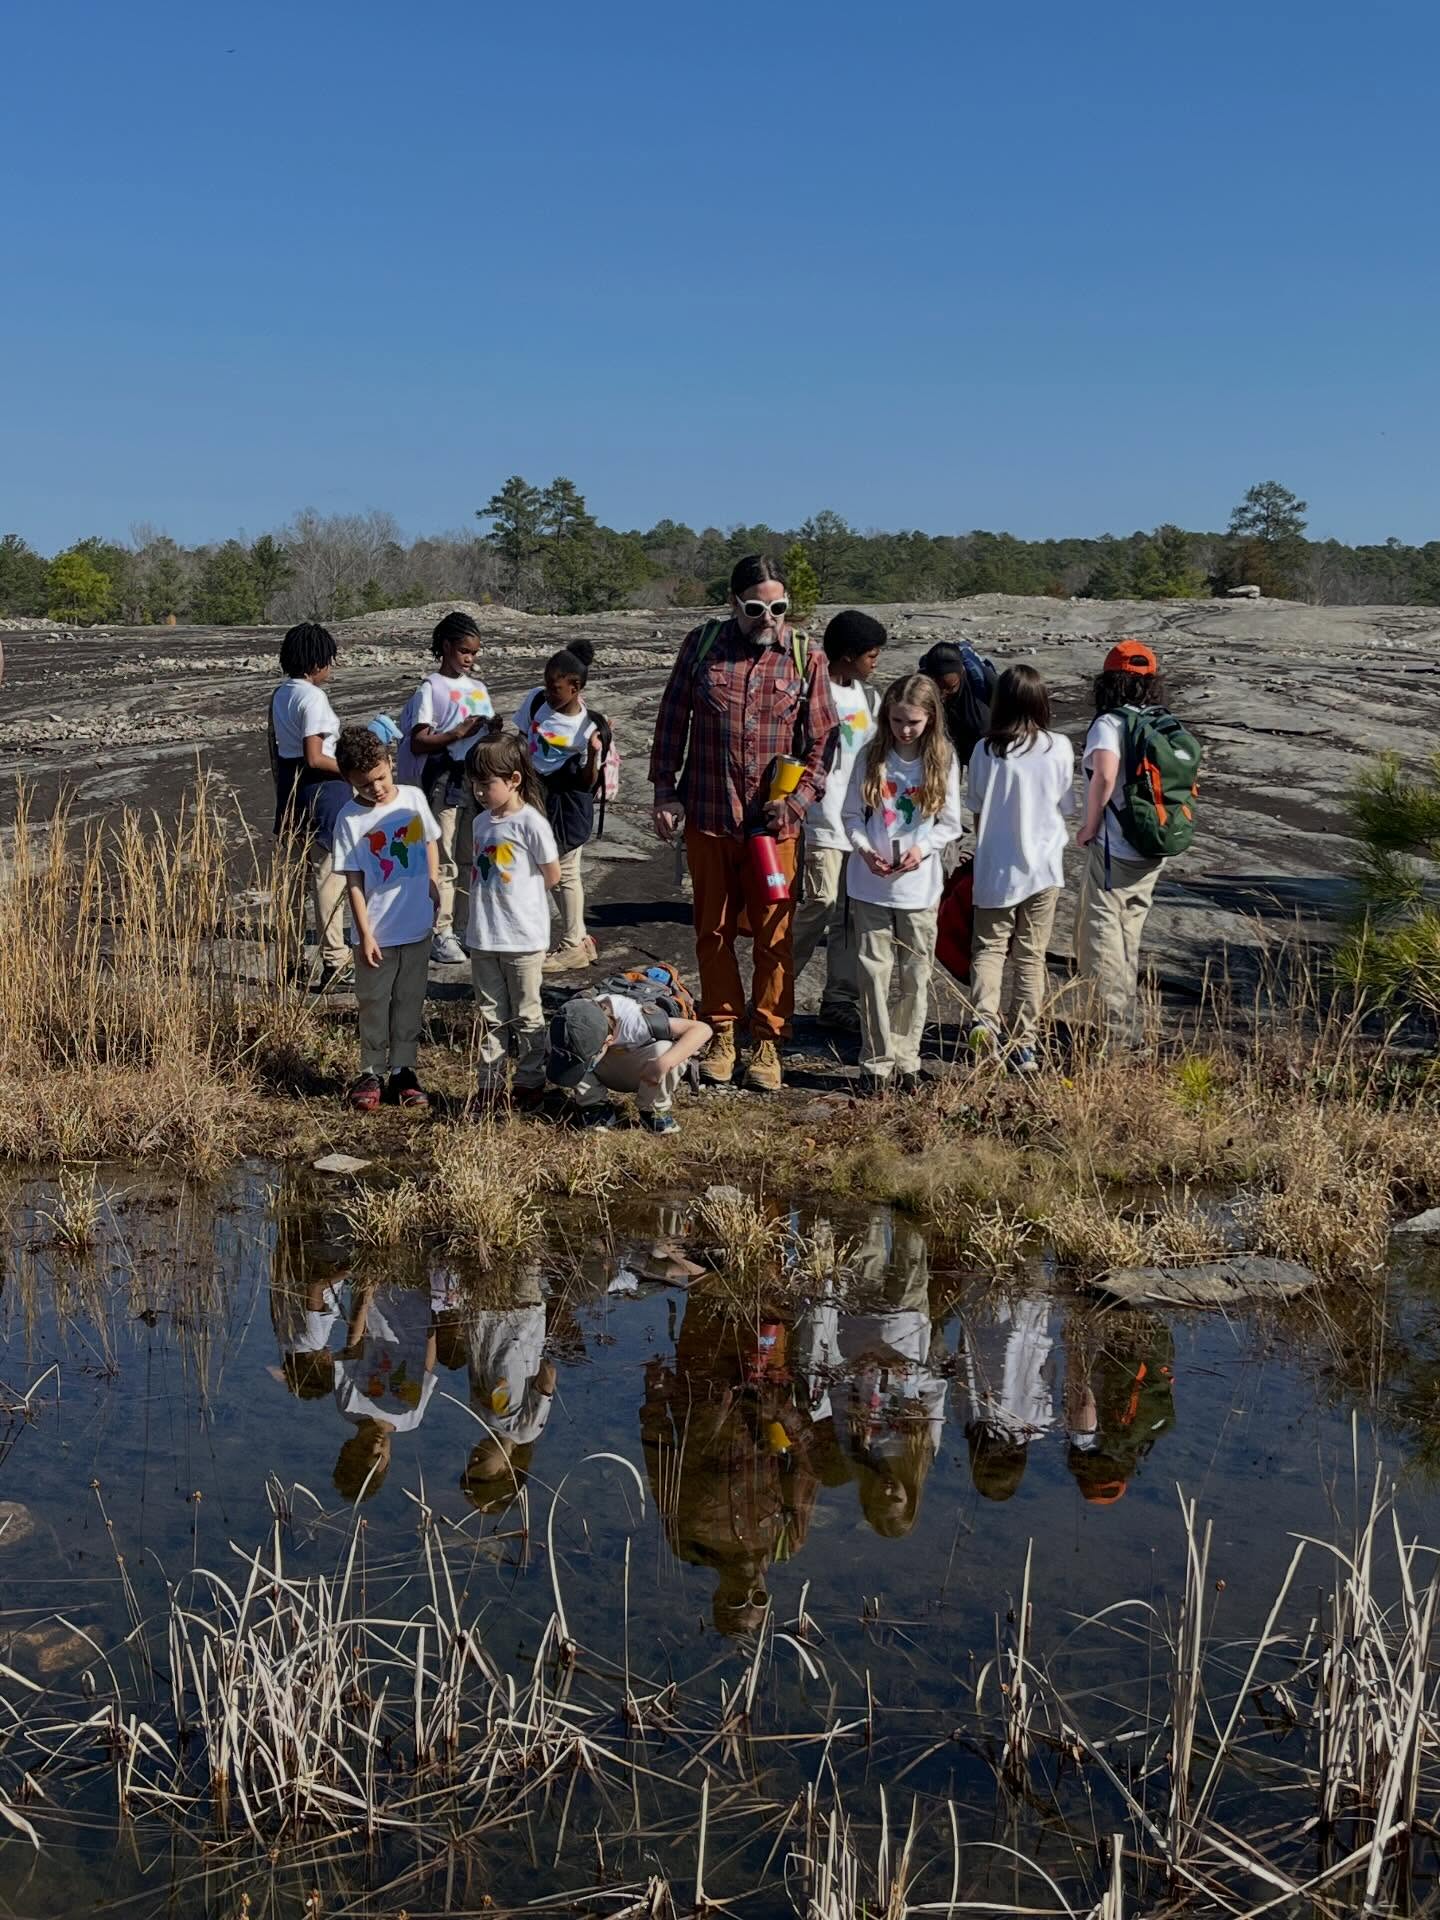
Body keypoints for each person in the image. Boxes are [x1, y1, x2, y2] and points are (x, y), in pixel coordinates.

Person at [648, 554, 839, 1094]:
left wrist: (797, 802)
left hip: (773, 832)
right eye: (756, 607)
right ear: (734, 604)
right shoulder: (702, 648)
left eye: (779, 607)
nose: (768, 618)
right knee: (714, 931)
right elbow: (671, 719)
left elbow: (823, 744)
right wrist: (665, 789)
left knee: (775, 936)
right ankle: (723, 1030)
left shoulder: (806, 660)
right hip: (709, 817)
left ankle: (769, 1040)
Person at [842, 674, 964, 1095]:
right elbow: (852, 816)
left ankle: (908, 1057)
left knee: (915, 974)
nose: (905, 730)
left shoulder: (943, 758)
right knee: (874, 975)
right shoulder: (870, 755)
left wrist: (922, 850)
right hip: (870, 882)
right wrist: (863, 850)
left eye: (913, 722)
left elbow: (949, 824)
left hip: (918, 885)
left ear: (930, 718)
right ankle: (875, 1062)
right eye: (897, 721)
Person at [966, 665, 1076, 1072]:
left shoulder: (984, 750)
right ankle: (1023, 1043)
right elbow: (1067, 807)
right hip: (1044, 867)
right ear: (1040, 701)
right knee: (1030, 955)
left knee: (990, 948)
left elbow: (976, 808)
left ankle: (984, 1020)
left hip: (996, 864)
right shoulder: (1059, 747)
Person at [330, 726, 442, 1113]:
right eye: (364, 784)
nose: (375, 788)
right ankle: (371, 1070)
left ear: (390, 763)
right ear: (348, 781)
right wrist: (363, 932)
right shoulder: (349, 819)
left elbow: (429, 841)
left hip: (416, 923)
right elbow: (354, 880)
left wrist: (433, 884)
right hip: (377, 929)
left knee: (410, 999)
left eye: (380, 777)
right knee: (374, 1000)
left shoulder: (412, 799)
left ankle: (403, 1071)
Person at [790, 611, 886, 1033]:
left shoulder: (868, 697)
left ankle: (839, 998)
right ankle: (773, 989)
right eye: (871, 654)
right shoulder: (811, 691)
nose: (875, 661)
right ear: (847, 655)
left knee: (849, 916)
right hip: (818, 821)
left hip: (857, 826)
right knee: (818, 906)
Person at [1075, 641, 1166, 1047]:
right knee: (1129, 934)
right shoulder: (1160, 720)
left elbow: (1105, 776)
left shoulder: (1109, 724)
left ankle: (1116, 1037)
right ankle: (1129, 1025)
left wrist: (1089, 826)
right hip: (1154, 843)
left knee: (1102, 939)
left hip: (1117, 847)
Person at [466, 734, 560, 1107]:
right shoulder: (480, 824)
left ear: (514, 780)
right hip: (484, 938)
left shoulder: (530, 823)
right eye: (475, 783)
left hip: (522, 939)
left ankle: (529, 1082)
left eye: (486, 783)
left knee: (527, 1013)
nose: (479, 791)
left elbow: (551, 874)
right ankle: (489, 1086)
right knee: (490, 1015)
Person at [400, 611, 499, 967]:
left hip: (476, 778)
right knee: (443, 856)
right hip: (443, 779)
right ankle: (441, 931)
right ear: (446, 647)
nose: (470, 659)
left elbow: (487, 733)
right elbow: (418, 741)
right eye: (464, 651)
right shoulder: (430, 688)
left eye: (474, 652)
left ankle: (467, 926)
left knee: (472, 856)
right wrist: (457, 733)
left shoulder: (478, 689)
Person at [512, 640, 607, 975]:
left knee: (565, 872)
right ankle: (578, 940)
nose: (549, 693)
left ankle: (572, 945)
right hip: (535, 793)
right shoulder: (537, 700)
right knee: (547, 870)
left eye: (556, 689)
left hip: (567, 803)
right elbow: (523, 740)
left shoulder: (588, 727)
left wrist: (594, 753)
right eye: (547, 685)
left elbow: (586, 781)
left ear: (575, 687)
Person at [268, 621, 350, 989]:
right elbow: (315, 757)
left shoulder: (280, 694)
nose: (331, 667)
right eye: (328, 660)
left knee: (293, 884)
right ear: (317, 661)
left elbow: (277, 752)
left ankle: (289, 961)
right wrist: (355, 771)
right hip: (322, 793)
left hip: (291, 791)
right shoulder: (313, 698)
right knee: (328, 879)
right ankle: (335, 960)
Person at [545, 990, 712, 1134]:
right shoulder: (568, 1019)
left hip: (641, 1071)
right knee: (557, 1047)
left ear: (608, 1040)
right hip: (604, 1065)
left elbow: (702, 1029)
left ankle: (653, 1110)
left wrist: (662, 1064)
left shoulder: (636, 1022)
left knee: (668, 1051)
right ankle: (594, 1106)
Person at [460, 1271, 557, 1513]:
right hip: (524, 1315)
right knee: (527, 1260)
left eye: (468, 1466)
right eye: (480, 1469)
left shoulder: (479, 1415)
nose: (473, 1460)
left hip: (486, 1311)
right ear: (506, 1470)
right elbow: (547, 1382)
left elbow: (475, 1364)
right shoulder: (525, 1431)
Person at [960, 1295, 1055, 1501]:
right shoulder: (968, 1424)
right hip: (984, 1324)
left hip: (1025, 1325)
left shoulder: (1036, 1425)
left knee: (1027, 1280)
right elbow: (960, 1374)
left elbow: (1047, 1373)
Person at [918, 639, 998, 768]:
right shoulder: (919, 685)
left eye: (950, 687)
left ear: (962, 673)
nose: (943, 694)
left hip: (978, 740)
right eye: (937, 687)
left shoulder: (987, 683)